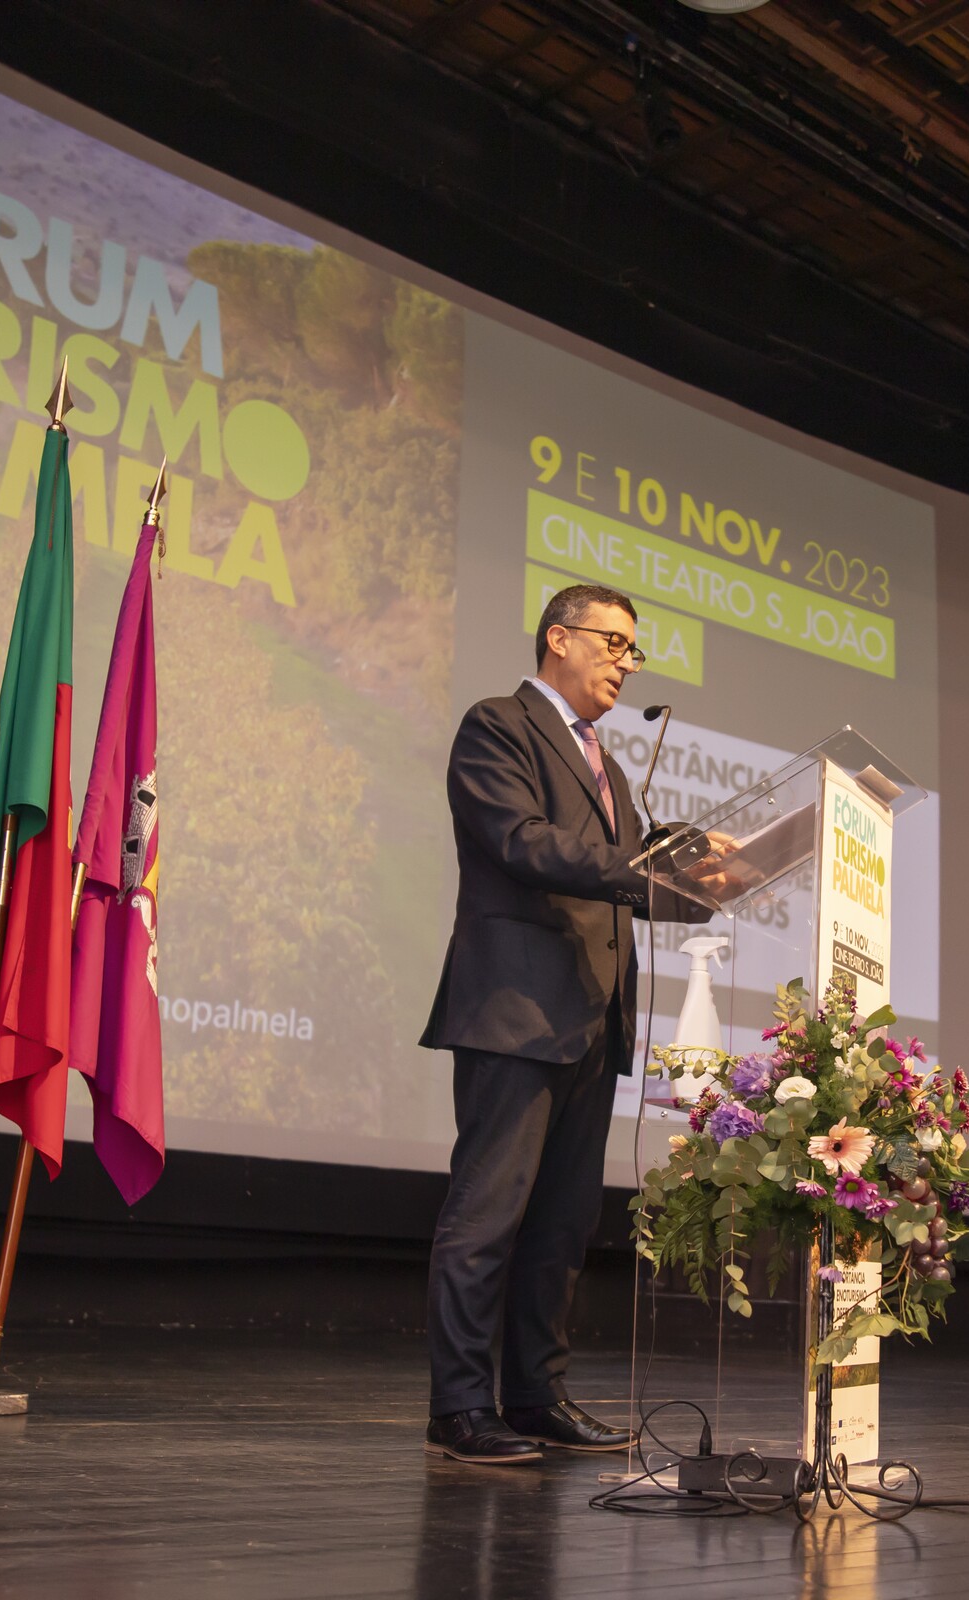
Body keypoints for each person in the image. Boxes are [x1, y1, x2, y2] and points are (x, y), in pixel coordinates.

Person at [418, 583, 722, 1464]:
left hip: (589, 1018)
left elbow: (622, 872)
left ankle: (535, 1395)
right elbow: (523, 842)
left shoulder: (608, 766)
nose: (629, 663)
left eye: (635, 649)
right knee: (488, 1218)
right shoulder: (497, 726)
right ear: (560, 637)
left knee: (561, 1224)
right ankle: (461, 1406)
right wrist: (645, 866)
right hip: (515, 1011)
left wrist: (706, 876)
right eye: (616, 644)